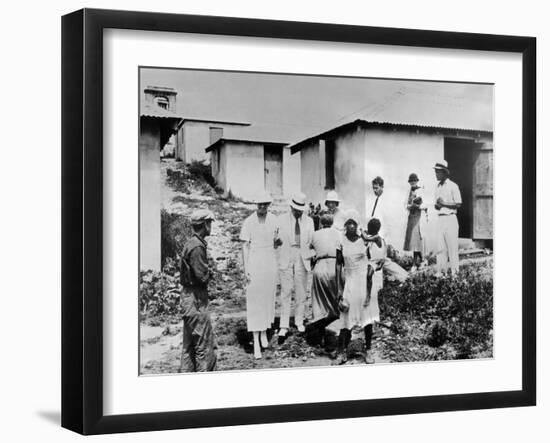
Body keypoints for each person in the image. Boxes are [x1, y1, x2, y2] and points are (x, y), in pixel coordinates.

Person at [335, 211, 385, 365]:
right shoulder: (341, 241)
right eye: (348, 223)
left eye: (353, 223)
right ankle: (342, 352)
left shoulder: (364, 241)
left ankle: (368, 350)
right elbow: (338, 265)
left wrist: (377, 265)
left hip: (364, 283)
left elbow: (376, 255)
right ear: (345, 225)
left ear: (357, 225)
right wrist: (338, 288)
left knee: (367, 319)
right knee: (346, 319)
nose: (351, 226)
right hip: (349, 283)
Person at [240, 191, 280, 359]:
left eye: (265, 204)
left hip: (269, 262)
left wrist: (278, 241)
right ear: (256, 205)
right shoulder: (249, 222)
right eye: (260, 204)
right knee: (255, 300)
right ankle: (255, 341)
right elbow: (244, 246)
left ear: (269, 205)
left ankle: (264, 332)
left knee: (266, 299)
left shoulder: (274, 220)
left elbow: (277, 243)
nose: (262, 207)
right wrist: (246, 268)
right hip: (255, 262)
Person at [179, 209, 217, 372]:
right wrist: (211, 272)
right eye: (209, 223)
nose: (211, 226)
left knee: (188, 347)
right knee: (203, 346)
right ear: (204, 225)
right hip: (196, 300)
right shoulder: (197, 247)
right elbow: (202, 277)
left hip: (188, 298)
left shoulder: (191, 243)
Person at [276, 192, 315, 336]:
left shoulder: (309, 222)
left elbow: (312, 242)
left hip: (302, 257)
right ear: (291, 207)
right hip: (287, 255)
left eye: (300, 210)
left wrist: (310, 256)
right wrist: (277, 243)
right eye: (295, 209)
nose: (298, 212)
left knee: (301, 291)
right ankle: (284, 325)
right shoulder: (281, 220)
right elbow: (276, 239)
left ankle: (299, 321)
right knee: (286, 291)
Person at [308, 211, 341, 354]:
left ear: (321, 222)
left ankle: (321, 336)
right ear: (332, 222)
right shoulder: (338, 233)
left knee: (320, 304)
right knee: (336, 303)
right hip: (335, 267)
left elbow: (309, 250)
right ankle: (332, 339)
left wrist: (315, 257)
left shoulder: (315, 234)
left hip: (320, 267)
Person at [366, 176, 408, 282]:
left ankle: (405, 277)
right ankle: (403, 276)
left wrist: (384, 239)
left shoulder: (385, 201)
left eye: (376, 188)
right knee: (382, 262)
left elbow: (386, 221)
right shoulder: (377, 200)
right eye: (373, 188)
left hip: (381, 236)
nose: (374, 190)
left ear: (382, 187)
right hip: (376, 235)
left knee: (382, 261)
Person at [434, 160, 462, 274]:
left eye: (438, 172)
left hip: (450, 219)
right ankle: (442, 274)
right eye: (435, 172)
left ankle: (455, 274)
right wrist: (437, 205)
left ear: (444, 172)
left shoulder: (453, 186)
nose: (436, 174)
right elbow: (437, 206)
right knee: (440, 249)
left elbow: (458, 203)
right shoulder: (437, 187)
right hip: (440, 219)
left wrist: (444, 203)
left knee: (452, 248)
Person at [403, 173, 427, 271]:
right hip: (411, 217)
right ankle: (420, 260)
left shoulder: (421, 190)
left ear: (417, 181)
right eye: (411, 182)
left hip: (419, 217)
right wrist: (410, 206)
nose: (412, 183)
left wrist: (418, 206)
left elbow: (425, 205)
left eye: (414, 181)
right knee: (412, 241)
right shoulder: (408, 191)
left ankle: (416, 262)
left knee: (417, 240)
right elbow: (405, 204)